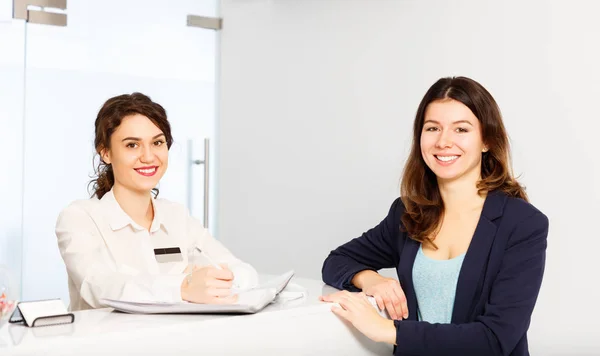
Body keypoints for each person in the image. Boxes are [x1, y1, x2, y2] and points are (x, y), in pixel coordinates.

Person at [320, 76, 548, 355]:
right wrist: (372, 280)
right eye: (432, 128)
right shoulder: (407, 213)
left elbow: (495, 338)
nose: (443, 141)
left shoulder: (523, 224)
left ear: (486, 140)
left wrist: (385, 329)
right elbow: (337, 260)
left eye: (461, 129)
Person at [56, 93, 258, 311]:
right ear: (105, 152)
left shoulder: (176, 215)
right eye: (132, 145)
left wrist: (210, 279)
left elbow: (243, 273)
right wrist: (183, 286)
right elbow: (100, 288)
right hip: (106, 343)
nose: (149, 156)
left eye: (157, 142)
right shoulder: (79, 217)